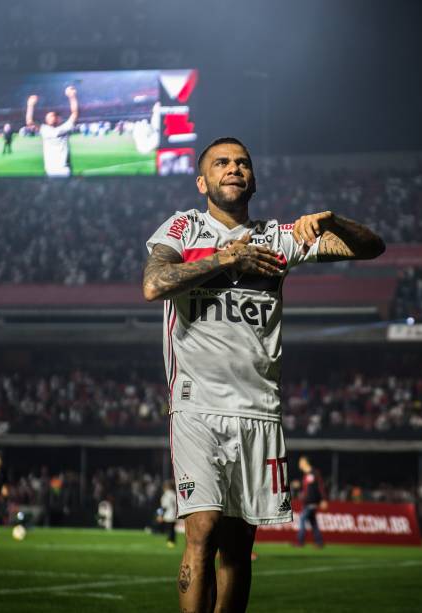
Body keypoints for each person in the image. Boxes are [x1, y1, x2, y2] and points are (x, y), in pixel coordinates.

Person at [142, 136, 384, 613]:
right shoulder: (183, 228)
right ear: (201, 181)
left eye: (242, 163)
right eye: (221, 163)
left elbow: (371, 247)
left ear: (253, 178)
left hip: (258, 409)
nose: (234, 168)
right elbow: (154, 284)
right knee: (203, 529)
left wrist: (334, 222)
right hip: (196, 404)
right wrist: (226, 257)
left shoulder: (277, 237)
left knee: (238, 545)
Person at [25, 85, 79, 177]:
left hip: (64, 169)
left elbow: (75, 113)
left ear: (58, 119)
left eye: (52, 116)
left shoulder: (65, 128)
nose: (50, 118)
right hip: (49, 170)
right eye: (48, 117)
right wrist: (30, 105)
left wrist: (72, 97)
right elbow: (29, 121)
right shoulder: (44, 129)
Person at [296, 456, 327, 548]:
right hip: (307, 502)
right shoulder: (306, 475)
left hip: (312, 502)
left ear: (305, 462)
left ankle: (300, 541)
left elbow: (321, 486)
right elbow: (308, 488)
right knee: (313, 522)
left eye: (300, 462)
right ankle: (319, 542)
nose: (299, 464)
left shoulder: (314, 473)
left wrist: (323, 499)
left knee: (302, 519)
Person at [158, 480, 178, 548]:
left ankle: (170, 542)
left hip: (168, 515)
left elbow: (164, 506)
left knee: (169, 529)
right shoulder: (174, 494)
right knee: (172, 529)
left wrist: (160, 515)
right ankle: (172, 541)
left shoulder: (166, 495)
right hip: (174, 514)